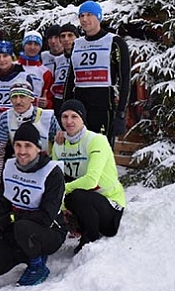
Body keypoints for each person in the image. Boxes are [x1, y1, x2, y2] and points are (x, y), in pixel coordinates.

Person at [0, 122, 67, 286]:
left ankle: (37, 266)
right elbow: (2, 202)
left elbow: (46, 217)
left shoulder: (52, 172)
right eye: (18, 145)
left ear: (38, 148)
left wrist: (13, 217)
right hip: (18, 228)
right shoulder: (10, 166)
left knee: (23, 227)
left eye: (28, 146)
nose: (22, 151)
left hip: (49, 231)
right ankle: (27, 252)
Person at [52, 99, 125, 254]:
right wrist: (63, 208)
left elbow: (91, 181)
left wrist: (62, 191)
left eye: (74, 116)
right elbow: (55, 179)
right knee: (61, 194)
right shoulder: (59, 144)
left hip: (111, 207)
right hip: (87, 203)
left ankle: (91, 238)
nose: (69, 121)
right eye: (65, 116)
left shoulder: (96, 140)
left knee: (75, 195)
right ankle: (80, 229)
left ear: (83, 119)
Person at [64, 0, 131, 145]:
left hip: (103, 107)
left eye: (89, 15)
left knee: (101, 152)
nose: (84, 19)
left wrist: (121, 113)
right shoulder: (77, 43)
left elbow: (125, 79)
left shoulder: (114, 42)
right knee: (80, 150)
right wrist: (65, 108)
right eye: (81, 16)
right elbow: (70, 80)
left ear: (99, 17)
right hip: (80, 107)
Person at [0, 81, 59, 196]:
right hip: (20, 165)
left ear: (31, 98)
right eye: (14, 97)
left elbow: (60, 144)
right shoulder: (5, 118)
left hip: (45, 166)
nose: (18, 101)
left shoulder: (47, 117)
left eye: (22, 96)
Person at [17, 30, 55, 109]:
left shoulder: (45, 72)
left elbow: (50, 99)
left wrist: (47, 103)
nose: (32, 47)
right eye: (29, 43)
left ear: (40, 47)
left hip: (34, 114)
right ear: (24, 45)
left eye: (36, 44)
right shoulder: (12, 66)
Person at [51, 24, 79, 117]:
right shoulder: (58, 60)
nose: (66, 39)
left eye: (70, 35)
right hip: (59, 100)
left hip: (76, 99)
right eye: (63, 36)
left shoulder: (81, 56)